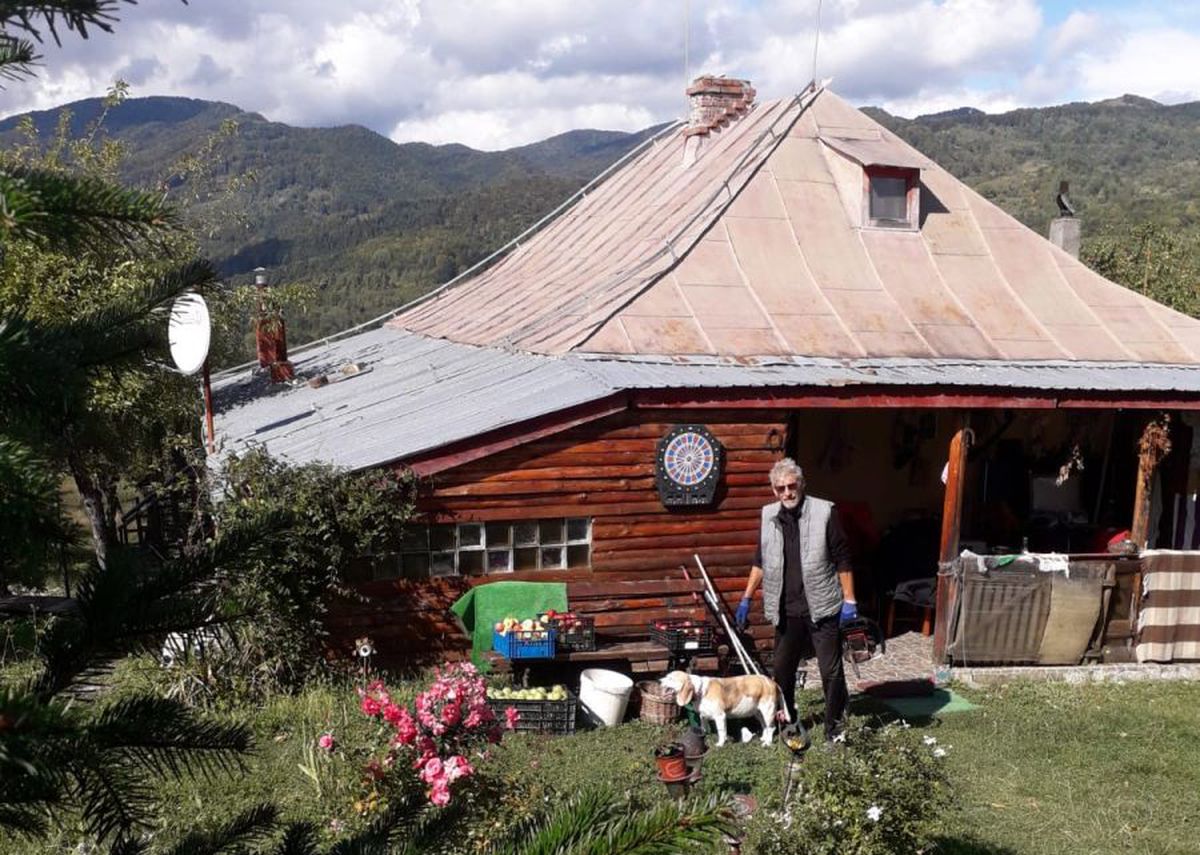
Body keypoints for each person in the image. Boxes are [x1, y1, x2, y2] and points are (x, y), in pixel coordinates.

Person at [734, 458, 857, 739]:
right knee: (782, 670)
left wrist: (850, 600)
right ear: (774, 490)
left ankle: (835, 728)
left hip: (822, 605)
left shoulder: (825, 512)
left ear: (801, 484)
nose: (787, 493)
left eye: (791, 486)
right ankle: (787, 721)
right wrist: (746, 598)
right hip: (786, 609)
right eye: (780, 489)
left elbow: (842, 558)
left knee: (830, 670)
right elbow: (760, 560)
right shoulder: (768, 516)